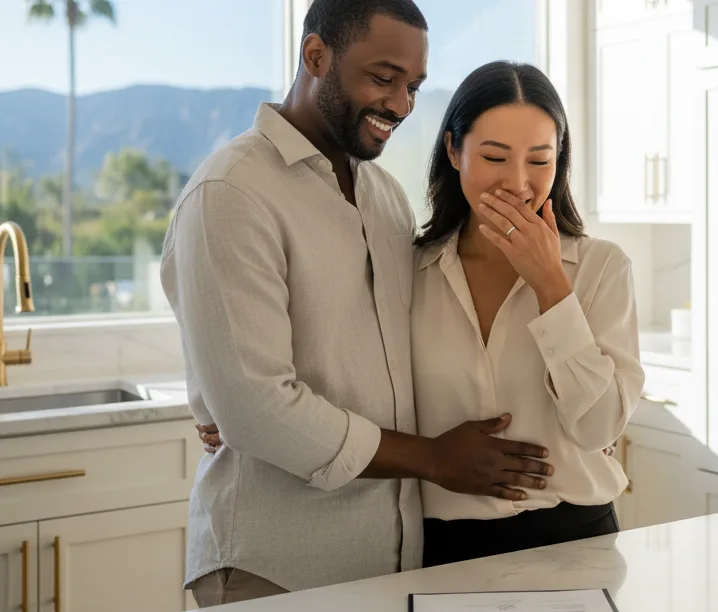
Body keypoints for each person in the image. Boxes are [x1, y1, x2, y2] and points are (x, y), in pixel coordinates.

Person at [160, 0, 554, 607]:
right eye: (382, 77)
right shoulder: (232, 191)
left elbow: (407, 343)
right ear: (316, 56)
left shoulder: (385, 197)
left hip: (391, 560)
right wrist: (432, 460)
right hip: (276, 563)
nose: (400, 104)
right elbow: (256, 409)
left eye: (414, 85)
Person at [412, 60, 644, 566]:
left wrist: (551, 286)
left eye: (540, 160)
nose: (518, 183)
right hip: (444, 548)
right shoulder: (410, 273)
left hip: (578, 540)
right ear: (454, 150)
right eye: (494, 157)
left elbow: (600, 429)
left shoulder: (601, 267)